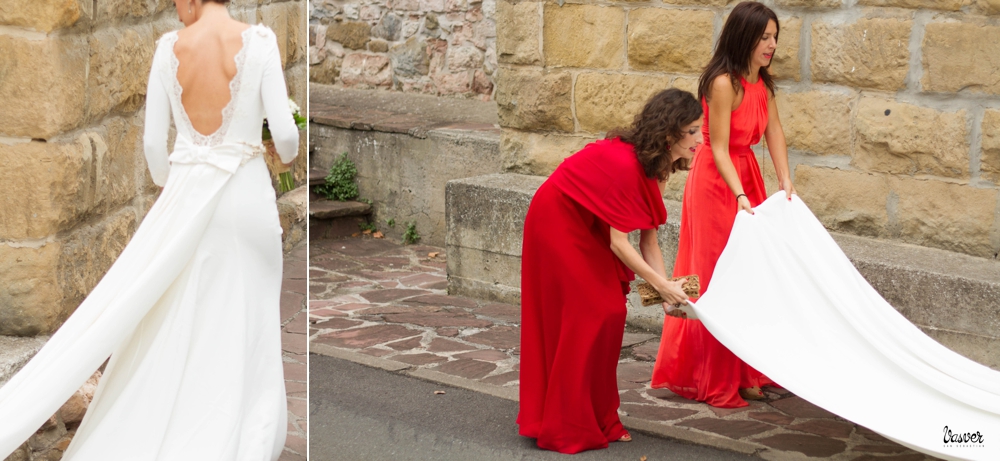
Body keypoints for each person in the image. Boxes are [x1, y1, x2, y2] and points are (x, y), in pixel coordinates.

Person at [0, 0, 299, 459]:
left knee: (184, 320)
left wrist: (182, 183)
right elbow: (287, 140)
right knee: (250, 319)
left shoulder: (168, 49)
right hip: (246, 200)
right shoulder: (259, 42)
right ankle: (246, 442)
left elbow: (152, 147)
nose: (176, 6)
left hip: (187, 200)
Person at [518, 88, 702, 454]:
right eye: (693, 130)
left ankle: (603, 417)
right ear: (670, 134)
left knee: (611, 314)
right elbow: (621, 244)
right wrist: (662, 286)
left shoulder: (659, 166)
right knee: (597, 312)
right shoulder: (625, 165)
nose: (701, 138)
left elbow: (648, 240)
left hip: (589, 223)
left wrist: (665, 293)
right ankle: (568, 423)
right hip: (557, 220)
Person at [651, 1, 794, 408]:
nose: (772, 44)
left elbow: (775, 132)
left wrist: (785, 179)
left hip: (746, 175)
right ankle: (711, 376)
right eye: (764, 37)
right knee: (715, 272)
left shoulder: (763, 85)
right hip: (717, 181)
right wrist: (740, 195)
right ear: (744, 37)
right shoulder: (722, 83)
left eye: (774, 36)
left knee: (750, 273)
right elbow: (715, 147)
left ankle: (746, 373)